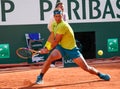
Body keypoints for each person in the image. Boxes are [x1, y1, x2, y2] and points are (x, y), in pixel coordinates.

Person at [35, 9, 111, 84]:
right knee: (50, 58)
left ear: (62, 16)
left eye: (59, 16)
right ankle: (40, 76)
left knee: (86, 68)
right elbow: (52, 36)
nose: (58, 18)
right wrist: (46, 47)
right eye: (56, 16)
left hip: (72, 49)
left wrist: (48, 49)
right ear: (54, 17)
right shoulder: (54, 24)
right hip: (61, 47)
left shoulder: (63, 25)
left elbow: (56, 41)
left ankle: (100, 74)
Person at [47, 2, 68, 67]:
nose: (61, 7)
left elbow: (66, 23)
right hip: (56, 32)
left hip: (64, 33)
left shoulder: (65, 14)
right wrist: (54, 32)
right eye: (60, 6)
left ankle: (66, 61)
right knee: (55, 46)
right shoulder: (52, 16)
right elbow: (49, 26)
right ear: (56, 8)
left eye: (62, 6)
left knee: (66, 46)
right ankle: (52, 62)